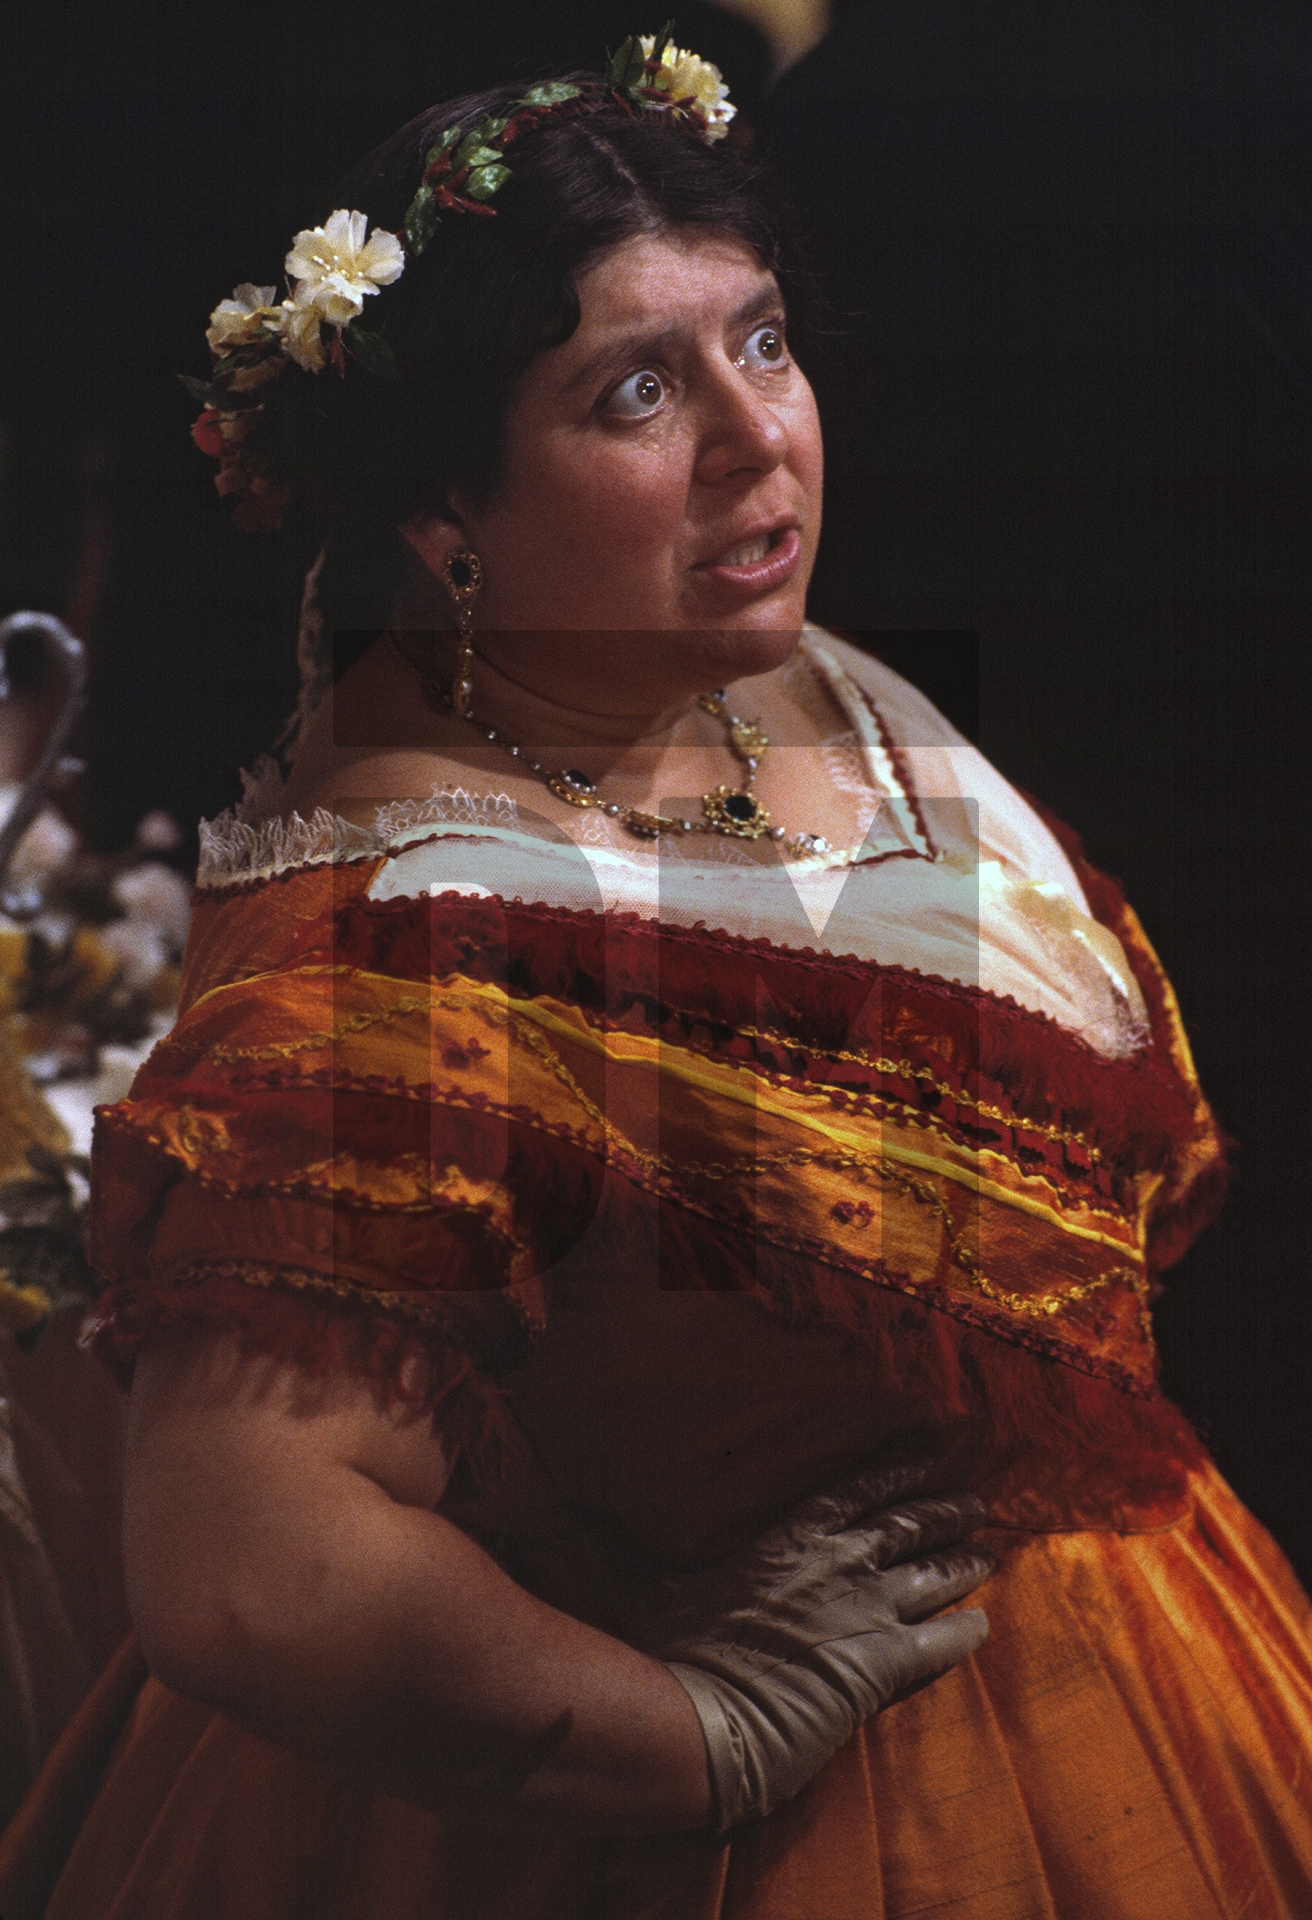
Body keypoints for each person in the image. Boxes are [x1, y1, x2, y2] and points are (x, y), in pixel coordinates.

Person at [2, 33, 1310, 1920]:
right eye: (636, 390)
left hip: (1131, 1694)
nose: (755, 433)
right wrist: (702, 1731)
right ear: (446, 523)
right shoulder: (404, 937)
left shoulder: (803, 682)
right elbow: (243, 1571)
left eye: (762, 341)